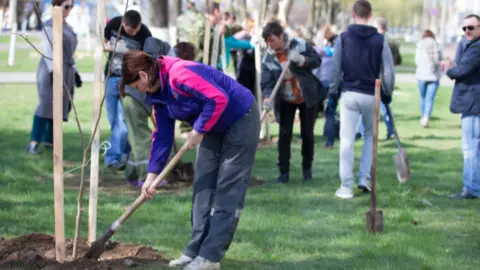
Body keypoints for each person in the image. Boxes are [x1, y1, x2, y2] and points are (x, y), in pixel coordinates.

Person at [120, 51, 261, 269]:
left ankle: (210, 257)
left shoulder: (180, 74)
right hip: (214, 125)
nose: (136, 90)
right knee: (203, 186)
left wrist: (199, 129)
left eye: (135, 85)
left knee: (227, 189)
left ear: (143, 76)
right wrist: (151, 176)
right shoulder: (157, 95)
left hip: (240, 116)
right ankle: (194, 251)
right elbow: (162, 136)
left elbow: (218, 98)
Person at [328, 0, 394, 199]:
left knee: (347, 141)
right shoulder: (380, 40)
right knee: (369, 137)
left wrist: (332, 92)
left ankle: (346, 186)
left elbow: (335, 69)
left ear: (353, 13)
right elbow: (389, 71)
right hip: (371, 94)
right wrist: (387, 92)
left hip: (349, 93)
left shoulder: (343, 38)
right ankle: (364, 177)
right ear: (370, 14)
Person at [261, 21, 325, 183]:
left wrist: (301, 59)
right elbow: (267, 83)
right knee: (284, 134)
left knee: (307, 134)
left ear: (281, 36)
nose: (270, 44)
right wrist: (268, 97)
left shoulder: (300, 45)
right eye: (267, 41)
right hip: (285, 99)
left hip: (307, 96)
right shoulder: (268, 58)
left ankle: (307, 170)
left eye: (272, 40)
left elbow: (317, 60)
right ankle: (283, 173)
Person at [26, 0, 81, 154]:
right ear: (57, 6)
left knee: (60, 106)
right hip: (50, 70)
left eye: (71, 6)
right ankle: (34, 142)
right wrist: (52, 72)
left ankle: (51, 142)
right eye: (67, 6)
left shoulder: (68, 26)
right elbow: (49, 50)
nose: (69, 10)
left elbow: (69, 53)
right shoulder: (49, 25)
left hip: (66, 70)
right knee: (46, 105)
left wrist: (75, 72)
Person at [121, 37, 174, 188]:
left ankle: (131, 175)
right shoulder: (148, 64)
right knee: (142, 139)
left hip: (136, 101)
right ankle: (144, 177)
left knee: (136, 138)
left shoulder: (154, 58)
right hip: (133, 101)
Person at [103, 10, 152, 170]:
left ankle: (113, 158)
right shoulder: (113, 25)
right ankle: (126, 154)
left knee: (123, 122)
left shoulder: (144, 33)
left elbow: (147, 57)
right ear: (124, 24)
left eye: (136, 30)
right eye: (131, 31)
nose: (135, 33)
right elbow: (103, 44)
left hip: (129, 82)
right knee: (113, 121)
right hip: (111, 77)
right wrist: (115, 48)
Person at [442, 14, 480, 200]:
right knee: (474, 147)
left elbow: (460, 70)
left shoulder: (477, 48)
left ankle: (471, 189)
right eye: (464, 28)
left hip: (474, 103)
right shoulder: (468, 45)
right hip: (472, 102)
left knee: (470, 148)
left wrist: (449, 68)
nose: (466, 31)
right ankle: (474, 186)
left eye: (471, 28)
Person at [313, 24, 338, 149]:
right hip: (333, 84)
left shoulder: (318, 50)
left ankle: (305, 138)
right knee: (330, 113)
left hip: (319, 83)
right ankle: (329, 142)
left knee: (312, 112)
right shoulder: (337, 51)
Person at [415, 30, 442, 128]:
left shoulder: (420, 44)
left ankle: (423, 116)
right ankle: (426, 117)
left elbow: (416, 60)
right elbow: (440, 59)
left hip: (421, 75)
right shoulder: (437, 44)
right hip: (434, 75)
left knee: (423, 97)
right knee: (430, 98)